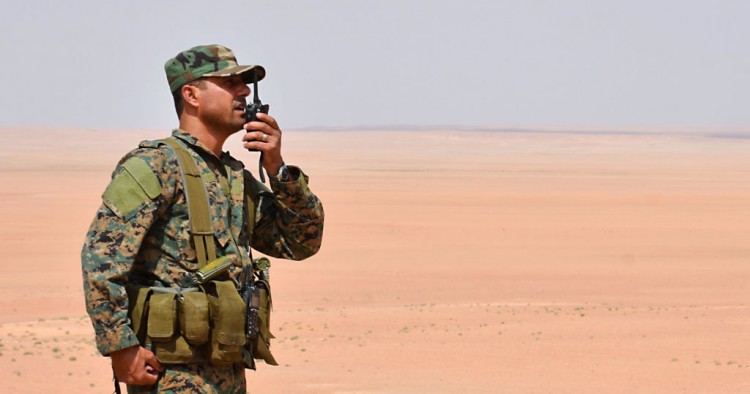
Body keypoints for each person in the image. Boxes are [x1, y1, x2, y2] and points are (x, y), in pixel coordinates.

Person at [81, 44, 324, 393]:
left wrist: (279, 169)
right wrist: (120, 346)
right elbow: (101, 260)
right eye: (230, 83)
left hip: (227, 372)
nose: (243, 91)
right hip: (170, 376)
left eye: (245, 84)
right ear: (191, 95)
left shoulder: (234, 177)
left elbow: (300, 242)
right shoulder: (155, 165)